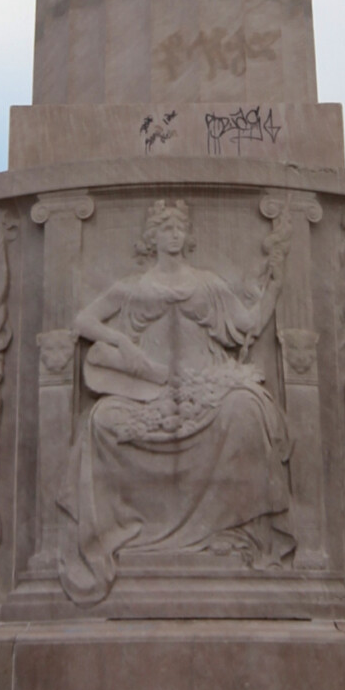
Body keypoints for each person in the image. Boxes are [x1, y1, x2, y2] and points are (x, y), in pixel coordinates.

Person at [61, 199, 294, 604]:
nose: (173, 234)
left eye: (178, 228)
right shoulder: (132, 287)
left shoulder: (208, 284)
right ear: (151, 237)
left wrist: (274, 284)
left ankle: (228, 529)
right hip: (150, 391)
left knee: (247, 407)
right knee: (101, 420)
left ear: (187, 236)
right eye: (165, 228)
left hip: (205, 384)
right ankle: (128, 530)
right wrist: (119, 342)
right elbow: (84, 320)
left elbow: (250, 324)